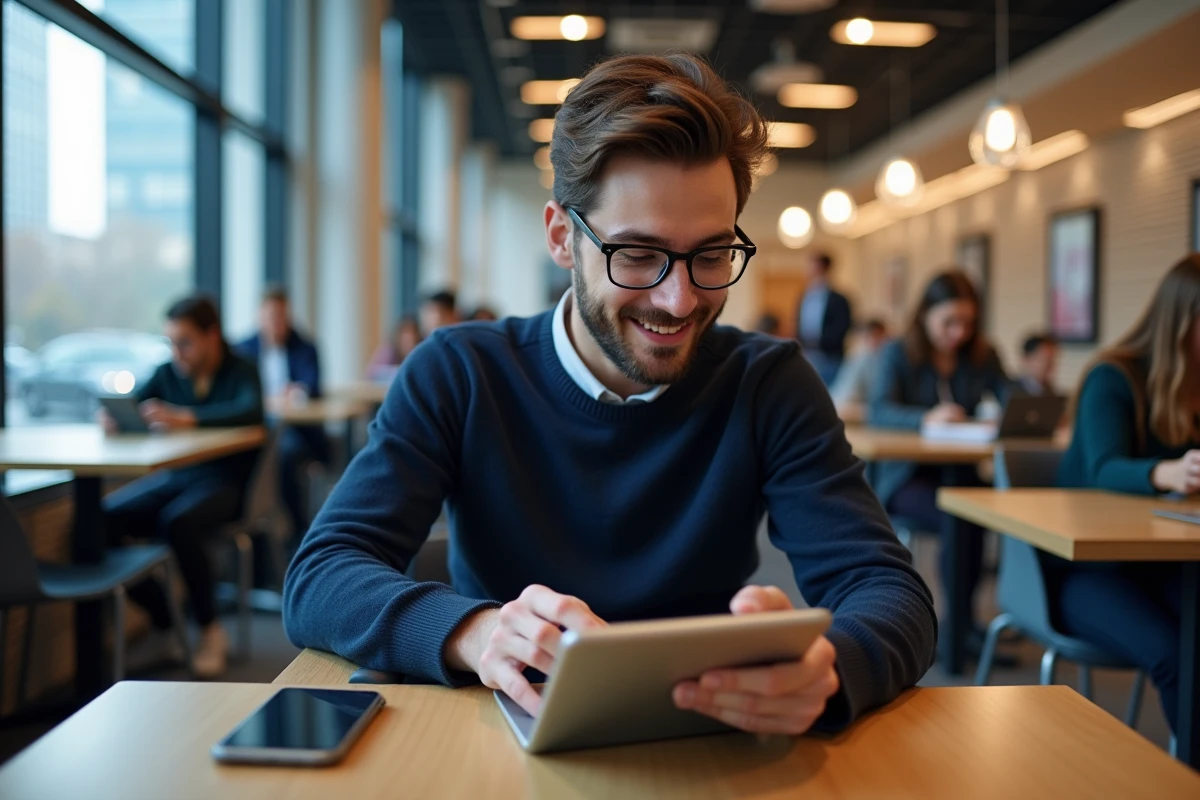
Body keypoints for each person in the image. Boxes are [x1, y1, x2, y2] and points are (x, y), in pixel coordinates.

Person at [284, 53, 935, 737]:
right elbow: (322, 573)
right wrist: (476, 633)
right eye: (638, 254)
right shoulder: (460, 372)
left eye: (711, 254)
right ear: (563, 237)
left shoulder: (767, 383)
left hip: (705, 743)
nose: (679, 299)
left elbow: (893, 594)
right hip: (496, 742)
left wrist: (830, 666)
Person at [1053, 254, 1200, 735]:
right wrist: (1169, 472)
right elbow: (1103, 469)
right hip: (1086, 568)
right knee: (1174, 654)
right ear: (1183, 321)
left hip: (1162, 560)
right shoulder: (1113, 377)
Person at [103, 295, 264, 678]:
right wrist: (115, 418)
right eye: (171, 342)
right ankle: (165, 621)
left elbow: (252, 411)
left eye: (185, 342)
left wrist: (186, 418)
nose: (178, 352)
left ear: (212, 336)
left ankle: (210, 630)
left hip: (227, 483)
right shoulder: (168, 371)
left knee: (178, 523)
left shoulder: (242, 369)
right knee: (102, 519)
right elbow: (136, 404)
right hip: (178, 477)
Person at [867, 270, 1010, 648]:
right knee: (958, 515)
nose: (958, 332)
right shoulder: (898, 352)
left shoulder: (983, 353)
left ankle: (961, 623)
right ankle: (952, 630)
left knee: (978, 511)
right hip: (906, 476)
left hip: (960, 470)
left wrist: (1007, 415)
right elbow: (879, 411)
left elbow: (1011, 398)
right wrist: (924, 417)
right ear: (926, 315)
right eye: (949, 322)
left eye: (967, 322)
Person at [236, 287, 331, 538]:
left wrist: (296, 391)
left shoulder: (304, 346)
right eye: (270, 316)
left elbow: (312, 386)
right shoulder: (243, 349)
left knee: (283, 453)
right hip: (256, 427)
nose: (276, 323)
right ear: (259, 316)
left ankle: (295, 527)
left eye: (280, 316)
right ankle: (259, 531)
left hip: (295, 428)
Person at [795, 252, 852, 386]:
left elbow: (842, 328)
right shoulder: (805, 296)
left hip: (830, 357)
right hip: (807, 355)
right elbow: (799, 324)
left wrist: (817, 342)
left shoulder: (839, 299)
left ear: (822, 267)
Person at [830, 318, 888, 412]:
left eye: (883, 337)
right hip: (846, 404)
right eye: (877, 336)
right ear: (868, 337)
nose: (882, 341)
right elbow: (846, 397)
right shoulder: (862, 358)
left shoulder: (880, 358)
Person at [366, 315, 422, 382]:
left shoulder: (420, 353)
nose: (409, 338)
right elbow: (372, 373)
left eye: (413, 333)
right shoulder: (388, 351)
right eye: (405, 333)